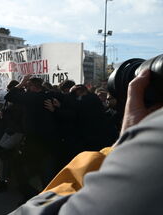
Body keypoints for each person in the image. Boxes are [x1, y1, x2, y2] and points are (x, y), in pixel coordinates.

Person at [10, 68, 163, 215]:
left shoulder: (82, 102)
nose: (68, 97)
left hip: (81, 146)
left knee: (45, 172)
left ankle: (33, 193)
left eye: (71, 94)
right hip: (89, 147)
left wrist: (122, 146)